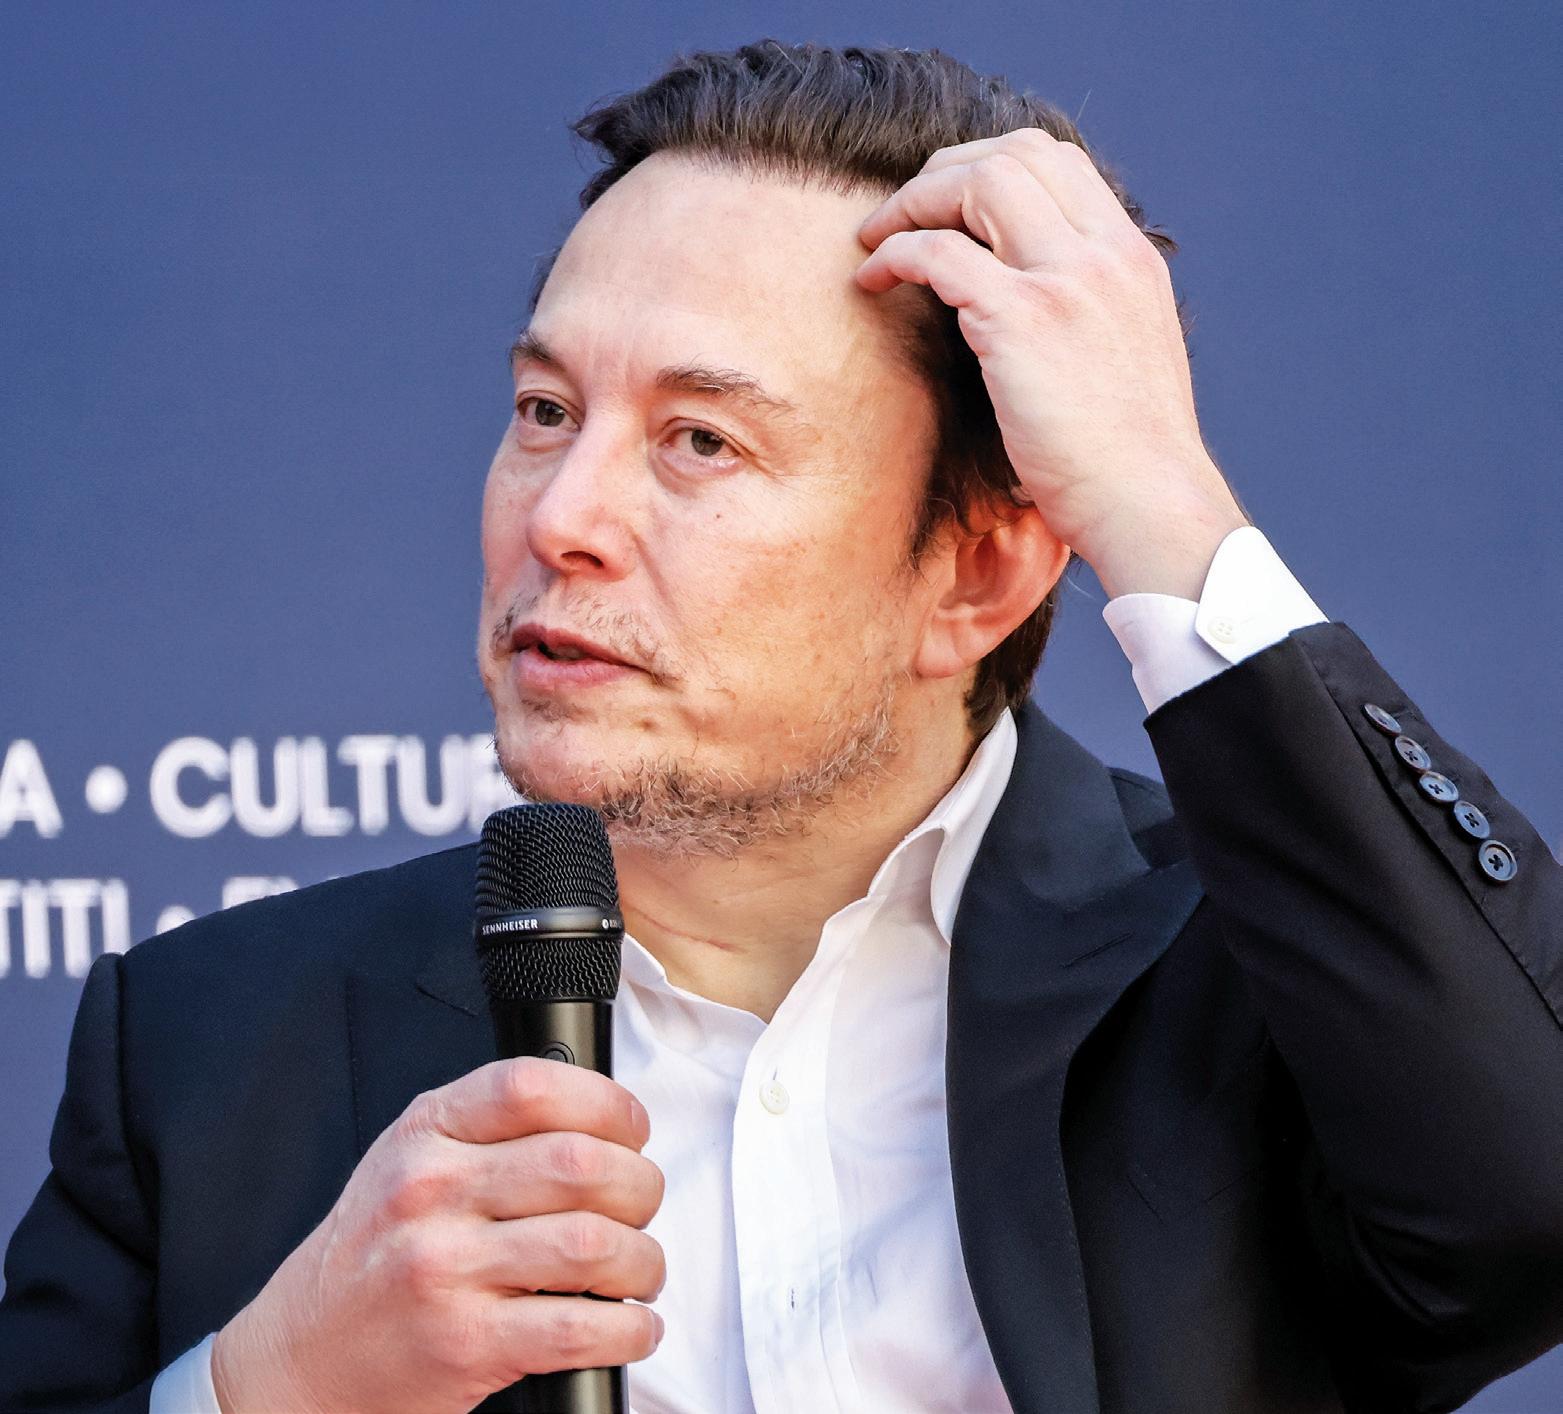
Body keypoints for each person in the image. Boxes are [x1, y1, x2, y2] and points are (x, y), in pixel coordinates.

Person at [2, 38, 1560, 1414]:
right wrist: (269, 1387)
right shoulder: (209, 1046)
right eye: (546, 411)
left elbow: (1531, 1198)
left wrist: (1160, 496)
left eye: (700, 440)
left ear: (978, 570)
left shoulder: (1254, 989)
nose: (562, 515)